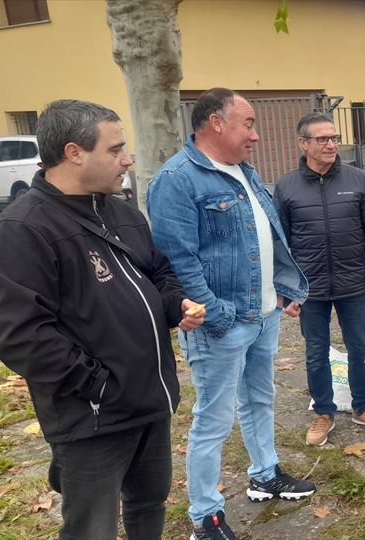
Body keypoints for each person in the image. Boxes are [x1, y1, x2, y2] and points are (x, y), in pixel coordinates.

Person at [0, 99, 203, 539]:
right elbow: (21, 335)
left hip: (149, 400)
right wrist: (100, 385)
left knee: (148, 502)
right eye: (115, 149)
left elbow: (158, 271)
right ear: (73, 153)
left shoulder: (120, 211)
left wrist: (175, 304)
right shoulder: (23, 228)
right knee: (93, 528)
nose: (127, 159)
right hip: (92, 417)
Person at [147, 88, 313, 540]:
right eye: (249, 123)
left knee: (261, 399)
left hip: (264, 316)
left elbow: (267, 235)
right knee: (213, 420)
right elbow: (177, 261)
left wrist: (282, 289)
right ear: (215, 124)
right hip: (221, 324)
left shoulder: (243, 170)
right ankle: (205, 516)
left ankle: (265, 473)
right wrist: (217, 315)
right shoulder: (177, 179)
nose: (255, 135)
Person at [274, 112, 365, 447]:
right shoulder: (286, 187)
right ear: (304, 144)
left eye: (334, 138)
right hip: (309, 289)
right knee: (315, 352)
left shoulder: (357, 180)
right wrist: (286, 291)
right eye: (323, 139)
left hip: (354, 284)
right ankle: (323, 412)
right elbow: (279, 244)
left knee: (359, 348)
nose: (331, 144)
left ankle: (363, 406)